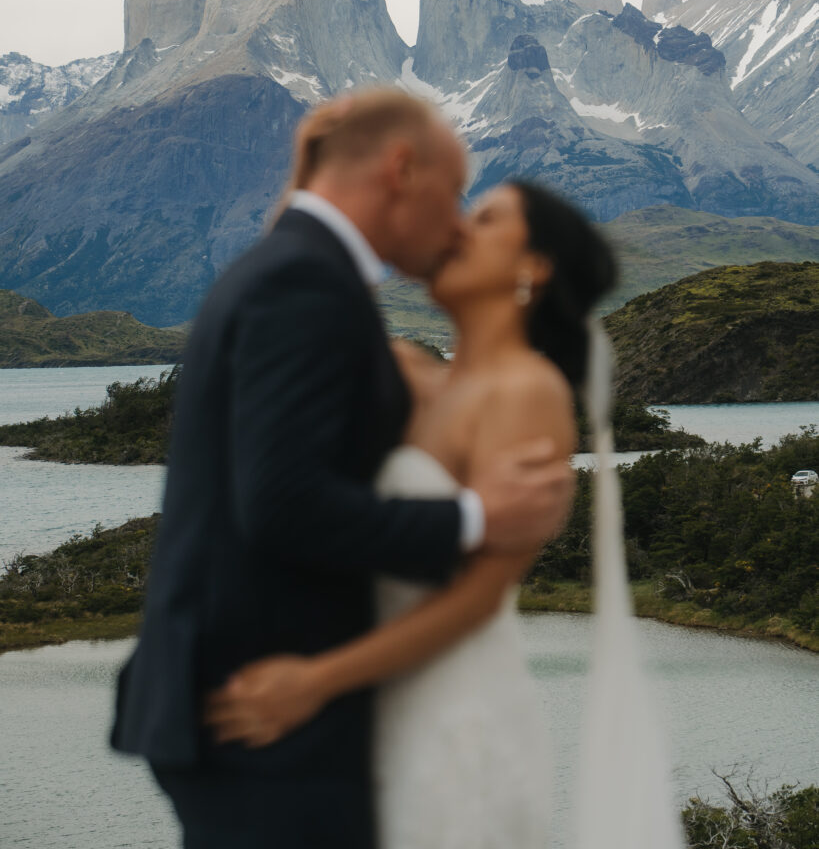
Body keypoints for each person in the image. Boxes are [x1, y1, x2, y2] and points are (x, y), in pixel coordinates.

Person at [111, 90, 577, 849]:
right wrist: (476, 517)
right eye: (455, 192)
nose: (457, 222)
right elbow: (283, 501)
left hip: (274, 706)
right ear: (400, 169)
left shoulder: (300, 274)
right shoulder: (307, 283)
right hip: (260, 706)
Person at [204, 179, 617, 849]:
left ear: (531, 268)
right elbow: (293, 293)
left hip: (455, 713)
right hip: (373, 707)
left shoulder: (527, 391)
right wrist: (316, 170)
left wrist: (313, 682)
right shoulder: (409, 372)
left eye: (483, 219)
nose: (456, 228)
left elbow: (479, 598)